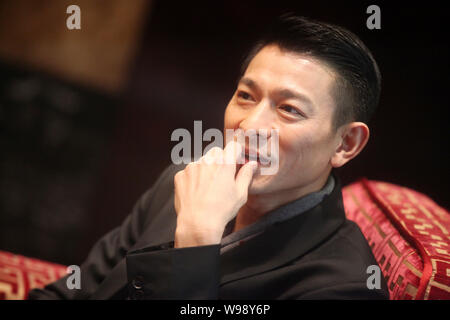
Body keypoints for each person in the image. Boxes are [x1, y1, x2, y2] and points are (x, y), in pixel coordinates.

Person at [28, 14, 389, 300]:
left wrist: (197, 241)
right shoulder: (186, 179)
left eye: (289, 109)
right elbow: (78, 290)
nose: (250, 124)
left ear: (346, 143)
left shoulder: (342, 285)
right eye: (246, 96)